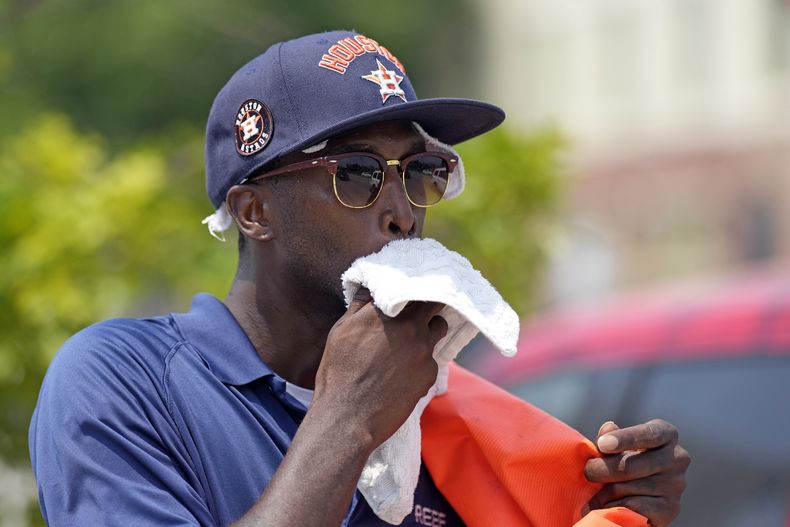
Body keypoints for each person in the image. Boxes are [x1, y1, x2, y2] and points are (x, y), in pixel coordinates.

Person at [29, 30, 690, 526]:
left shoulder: (440, 405)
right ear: (255, 211)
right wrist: (344, 423)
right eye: (358, 174)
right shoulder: (122, 381)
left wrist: (589, 501)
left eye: (421, 171)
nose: (402, 212)